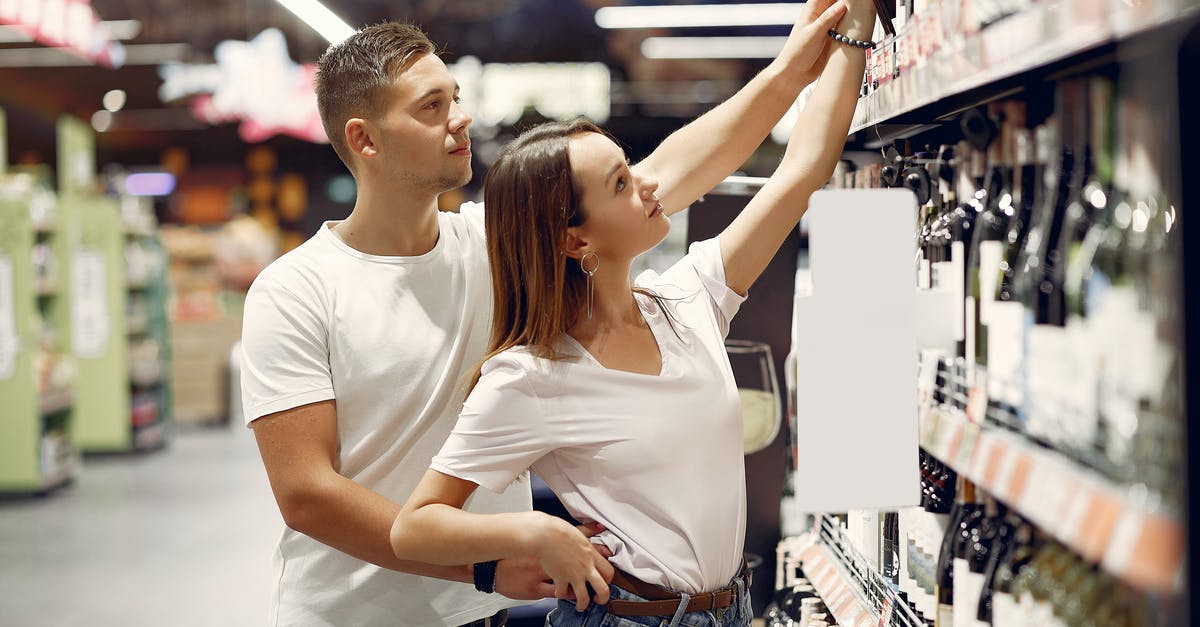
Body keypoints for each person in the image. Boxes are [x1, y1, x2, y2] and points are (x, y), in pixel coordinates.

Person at [240, 3, 852, 625]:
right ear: (364, 139)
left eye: (455, 98)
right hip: (356, 613)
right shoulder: (295, 290)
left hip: (483, 609)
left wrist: (788, 73)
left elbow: (666, 174)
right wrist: (494, 555)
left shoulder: (493, 249)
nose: (460, 119)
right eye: (431, 108)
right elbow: (307, 495)